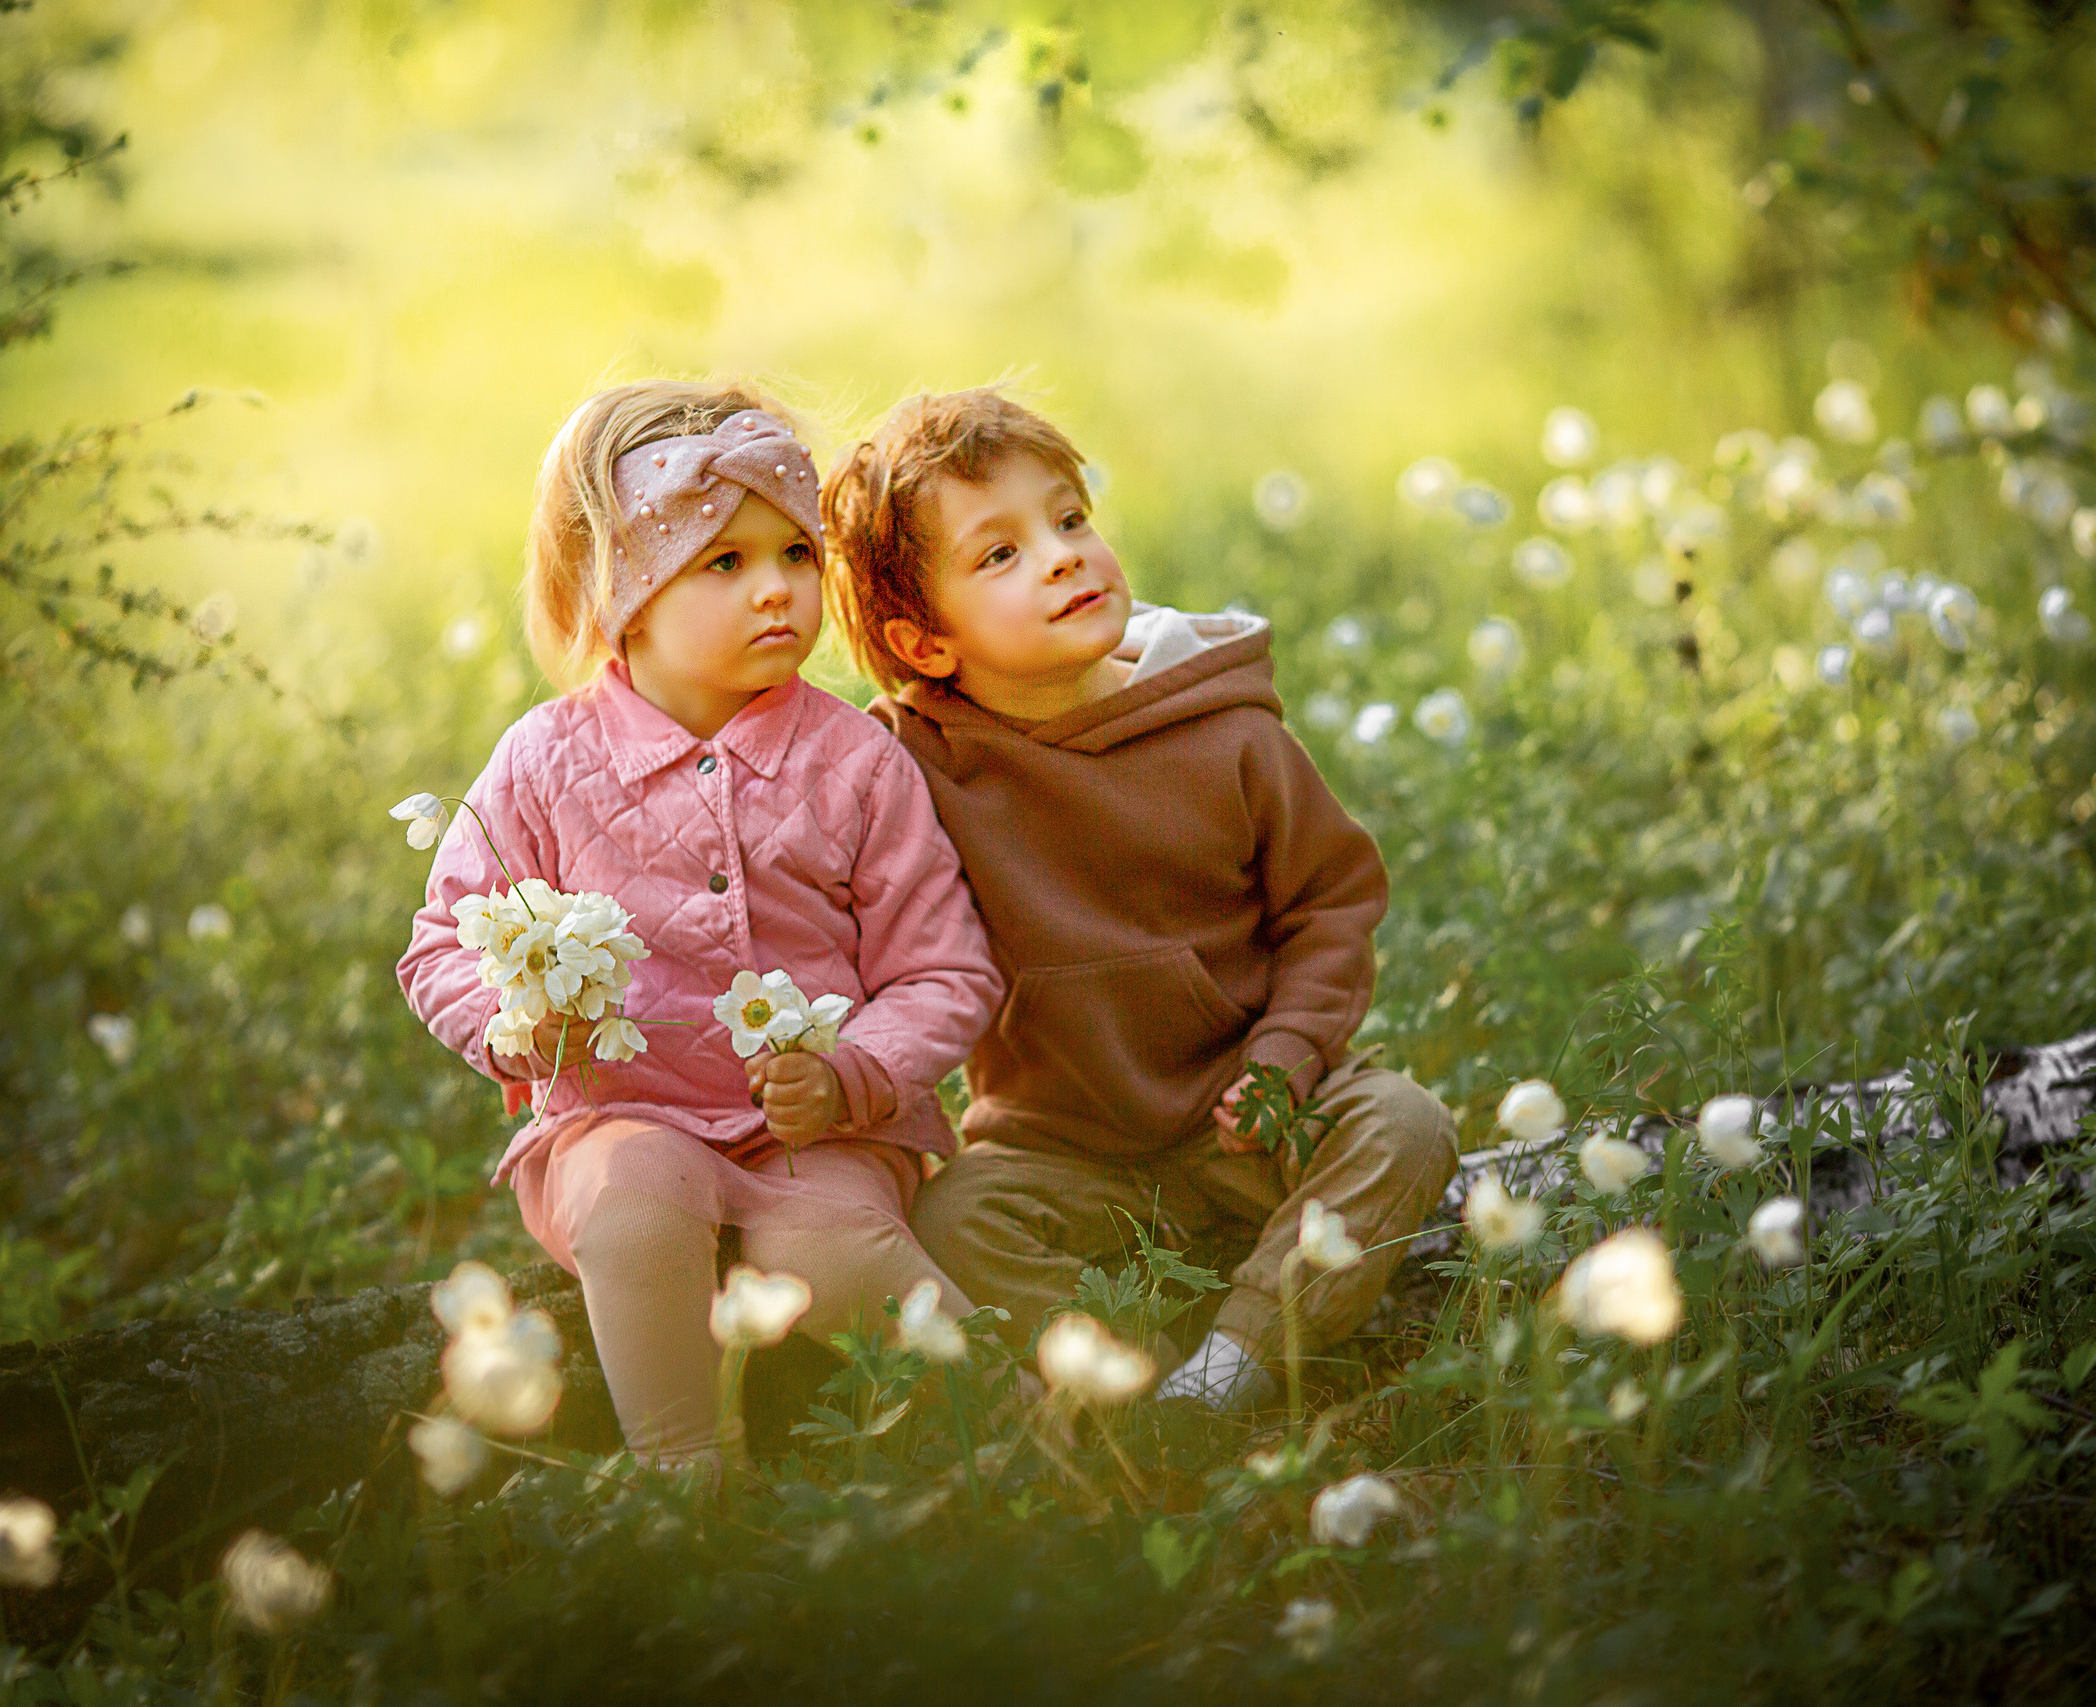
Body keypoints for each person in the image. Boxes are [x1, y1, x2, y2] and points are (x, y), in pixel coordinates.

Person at [398, 382, 1001, 1468]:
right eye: (723, 564)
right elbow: (441, 940)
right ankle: (683, 1476)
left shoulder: (856, 762)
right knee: (634, 1214)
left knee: (835, 1252)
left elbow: (943, 971)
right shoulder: (544, 763)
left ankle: (1019, 1428)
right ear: (622, 591)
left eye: (793, 554)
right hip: (615, 1115)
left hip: (820, 1132)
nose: (775, 590)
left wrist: (852, 1073)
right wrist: (511, 1026)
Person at [820, 388, 1456, 1411]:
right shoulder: (909, 770)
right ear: (929, 646)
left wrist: (1286, 1055)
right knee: (952, 1227)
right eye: (999, 554)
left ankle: (1234, 1362)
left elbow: (1327, 907)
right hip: (1058, 1148)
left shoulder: (1226, 729)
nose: (1064, 554)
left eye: (1069, 519)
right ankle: (1122, 1390)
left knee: (1406, 1124)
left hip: (1246, 1119)